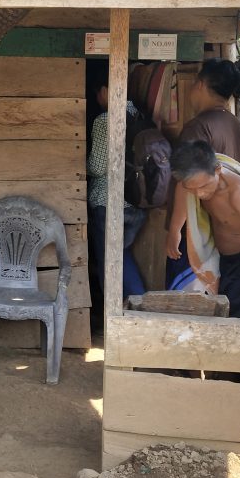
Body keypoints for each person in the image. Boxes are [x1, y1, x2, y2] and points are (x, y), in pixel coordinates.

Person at [167, 140, 240, 320]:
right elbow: (184, 196)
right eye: (193, 189)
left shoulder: (238, 194)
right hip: (225, 260)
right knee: (223, 315)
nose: (200, 194)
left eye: (204, 186)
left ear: (218, 170)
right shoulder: (191, 184)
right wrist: (174, 231)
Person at [166, 58, 240, 278]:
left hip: (195, 228)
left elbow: (186, 182)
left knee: (185, 295)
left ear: (200, 84)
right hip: (224, 228)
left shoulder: (198, 127)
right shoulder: (237, 126)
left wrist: (175, 229)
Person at [87, 76, 146, 316]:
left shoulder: (104, 120)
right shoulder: (140, 116)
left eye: (98, 92)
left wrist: (81, 165)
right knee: (122, 256)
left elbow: (98, 166)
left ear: (106, 89)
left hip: (108, 202)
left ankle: (126, 313)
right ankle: (136, 309)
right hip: (136, 203)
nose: (98, 98)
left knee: (110, 262)